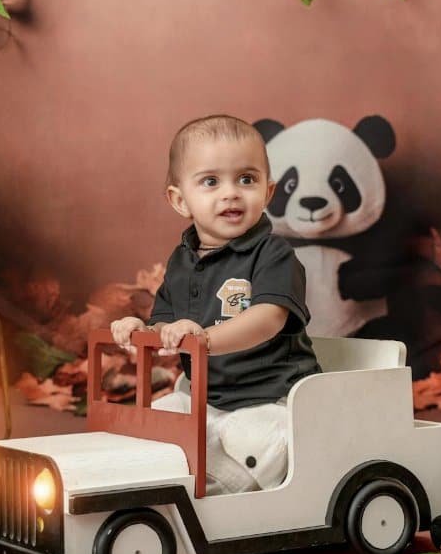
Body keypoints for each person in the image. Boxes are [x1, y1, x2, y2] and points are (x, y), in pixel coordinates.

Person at [110, 114, 321, 494]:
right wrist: (141, 332)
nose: (231, 193)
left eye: (247, 179)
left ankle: (227, 492)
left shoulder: (273, 254)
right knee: (159, 418)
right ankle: (187, 482)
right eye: (211, 181)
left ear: (268, 192)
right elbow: (167, 328)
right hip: (205, 396)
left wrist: (204, 338)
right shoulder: (181, 261)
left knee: (249, 435)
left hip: (271, 397)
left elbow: (268, 318)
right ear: (179, 200)